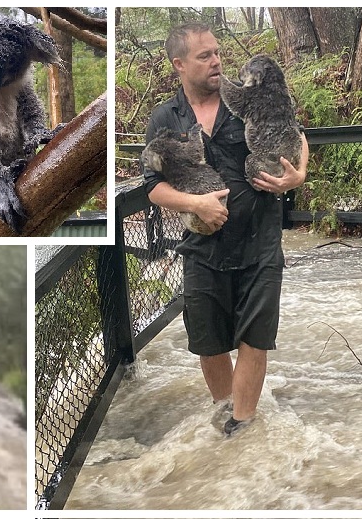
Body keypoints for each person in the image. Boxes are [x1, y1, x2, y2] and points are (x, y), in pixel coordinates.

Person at [143, 22, 309, 436]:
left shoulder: (245, 98)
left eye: (217, 53)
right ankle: (227, 414)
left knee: (256, 337)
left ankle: (242, 425)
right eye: (205, 56)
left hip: (260, 239)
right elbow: (152, 187)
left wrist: (298, 175)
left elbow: (296, 133)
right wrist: (195, 203)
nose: (217, 61)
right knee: (209, 341)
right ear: (178, 64)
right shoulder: (165, 117)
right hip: (202, 245)